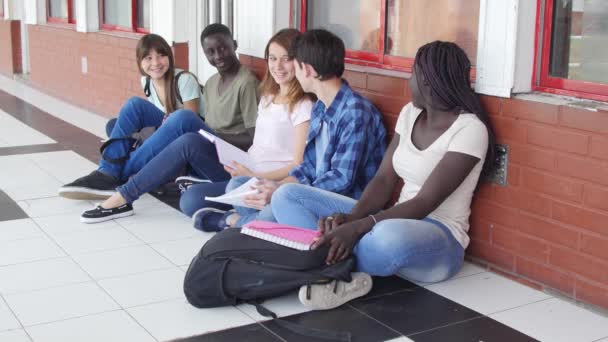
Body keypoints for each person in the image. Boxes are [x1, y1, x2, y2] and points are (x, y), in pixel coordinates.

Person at [271, 41, 496, 310]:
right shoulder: (410, 113)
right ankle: (336, 263)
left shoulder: (470, 130)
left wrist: (358, 226)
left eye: (413, 73)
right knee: (287, 195)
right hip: (389, 218)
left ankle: (321, 260)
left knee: (387, 237)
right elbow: (383, 180)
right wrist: (352, 218)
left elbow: (426, 202)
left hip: (437, 237)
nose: (409, 80)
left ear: (428, 80)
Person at [80, 28, 312, 223]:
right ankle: (123, 196)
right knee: (176, 135)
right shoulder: (267, 97)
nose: (278, 65)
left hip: (260, 177)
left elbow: (298, 164)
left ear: (300, 61)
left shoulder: (303, 105)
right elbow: (258, 146)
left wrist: (253, 173)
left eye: (286, 58)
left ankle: (115, 173)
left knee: (189, 200)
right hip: (240, 165)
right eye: (272, 58)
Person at [193, 29, 387, 232]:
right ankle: (262, 228)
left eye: (293, 62)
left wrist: (280, 189)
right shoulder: (322, 107)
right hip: (313, 192)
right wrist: (273, 185)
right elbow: (308, 167)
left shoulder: (355, 112)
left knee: (282, 199)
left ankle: (235, 224)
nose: (287, 68)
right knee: (244, 186)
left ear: (307, 69)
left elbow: (341, 180)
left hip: (348, 205)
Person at [59, 24, 258, 202]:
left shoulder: (245, 82)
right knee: (124, 114)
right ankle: (109, 172)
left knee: (182, 117)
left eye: (223, 48)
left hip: (220, 146)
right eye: (211, 51)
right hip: (202, 140)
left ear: (235, 44)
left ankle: (115, 174)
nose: (218, 56)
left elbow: (253, 137)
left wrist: (213, 137)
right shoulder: (213, 81)